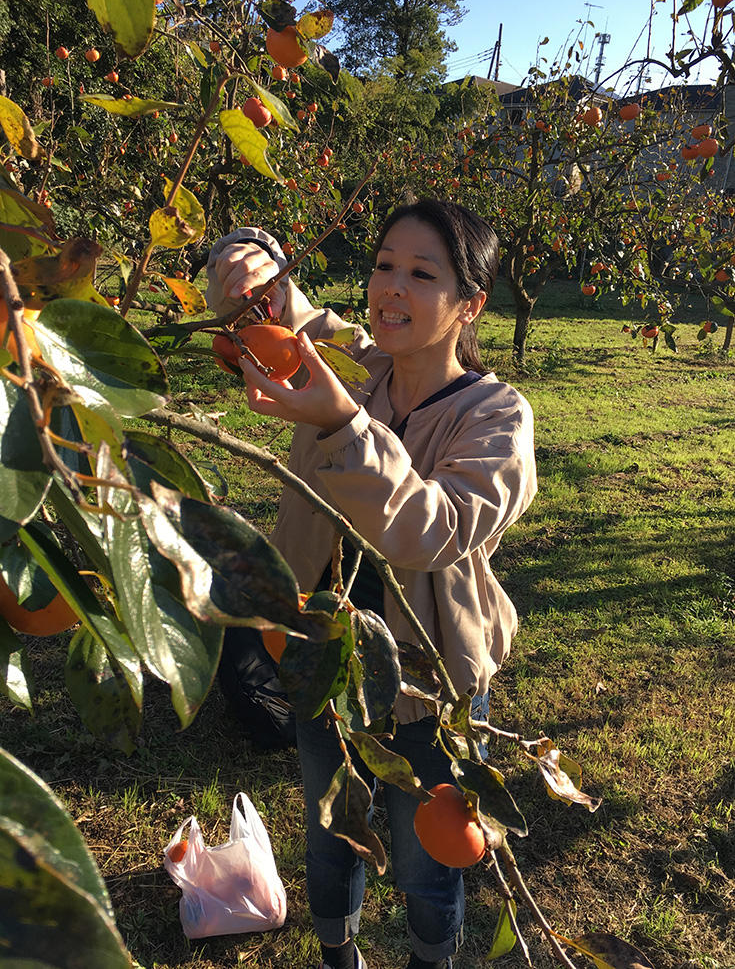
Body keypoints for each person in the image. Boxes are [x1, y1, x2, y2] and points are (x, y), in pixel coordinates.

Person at [206, 199, 537, 969]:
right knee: (331, 836)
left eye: (421, 274)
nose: (391, 286)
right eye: (384, 264)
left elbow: (432, 533)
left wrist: (341, 425)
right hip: (320, 663)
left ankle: (429, 960)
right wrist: (248, 250)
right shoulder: (353, 364)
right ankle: (338, 956)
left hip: (429, 685)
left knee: (429, 863)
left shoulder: (494, 416)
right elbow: (278, 306)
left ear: (470, 305)